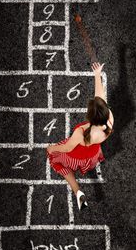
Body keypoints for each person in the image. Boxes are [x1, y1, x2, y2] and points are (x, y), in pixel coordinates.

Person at [46, 62, 114, 210]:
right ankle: (81, 186)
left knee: (56, 161)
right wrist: (97, 75)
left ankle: (77, 191)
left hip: (76, 156)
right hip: (93, 154)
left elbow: (67, 147)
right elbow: (100, 97)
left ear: (90, 117)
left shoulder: (81, 133)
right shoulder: (109, 120)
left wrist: (51, 148)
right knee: (90, 156)